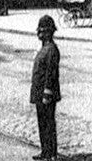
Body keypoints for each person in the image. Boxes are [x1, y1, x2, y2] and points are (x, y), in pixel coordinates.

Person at [31, 15, 61, 161]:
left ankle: (52, 154)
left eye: (42, 32)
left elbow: (51, 74)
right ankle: (45, 152)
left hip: (46, 94)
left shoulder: (52, 50)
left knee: (49, 124)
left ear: (49, 33)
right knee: (42, 123)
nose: (39, 34)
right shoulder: (44, 48)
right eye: (39, 31)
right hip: (39, 92)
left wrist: (47, 93)